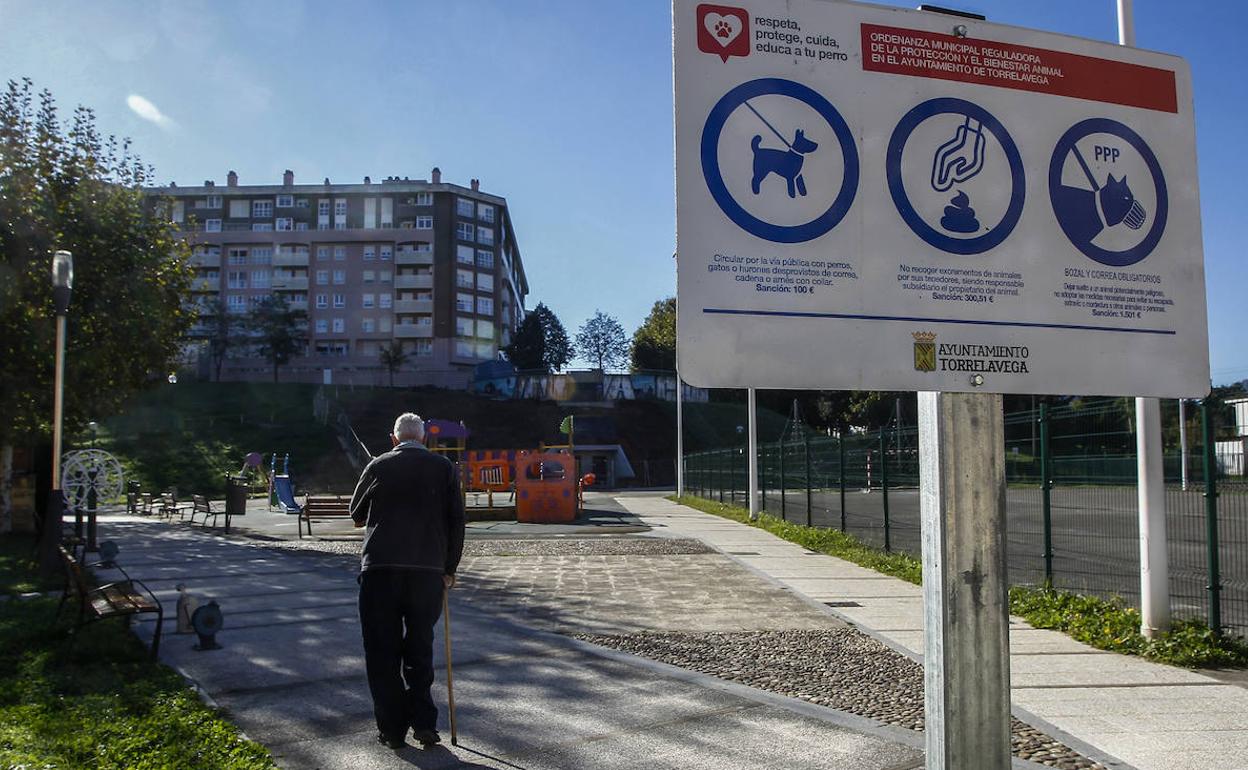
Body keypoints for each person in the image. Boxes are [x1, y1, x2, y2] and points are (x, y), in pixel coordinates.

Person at [350, 412, 465, 750]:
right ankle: (425, 724)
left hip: (380, 570)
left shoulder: (378, 465)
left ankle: (392, 730)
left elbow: (356, 514)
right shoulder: (444, 468)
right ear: (425, 439)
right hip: (427, 572)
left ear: (394, 439)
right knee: (419, 649)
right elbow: (457, 523)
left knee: (381, 653)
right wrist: (449, 569)